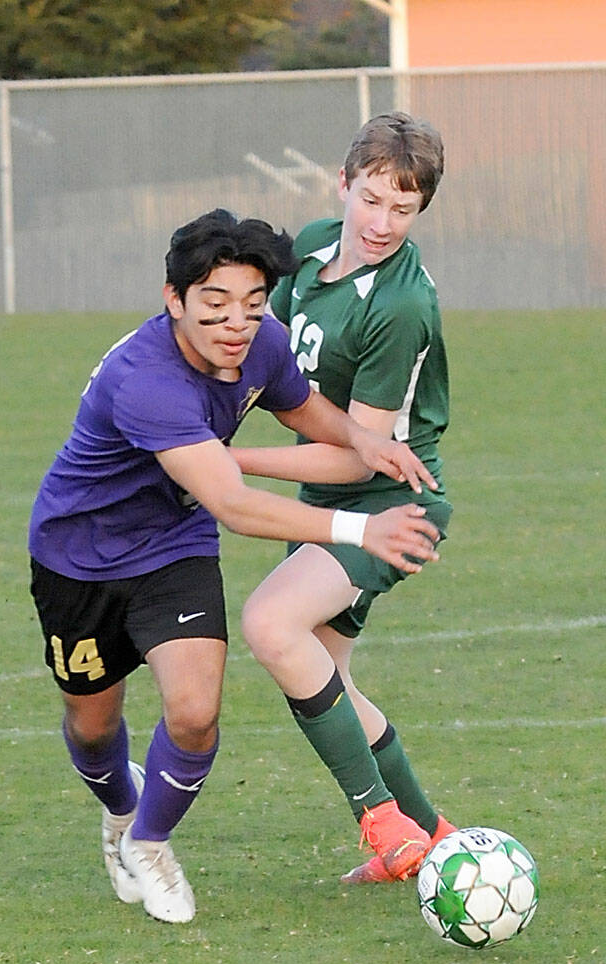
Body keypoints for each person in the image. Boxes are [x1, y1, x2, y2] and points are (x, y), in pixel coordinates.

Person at [27, 208, 441, 923]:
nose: (235, 322)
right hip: (78, 556)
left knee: (194, 713)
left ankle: (150, 841)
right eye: (215, 303)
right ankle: (122, 811)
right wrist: (360, 528)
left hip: (175, 545)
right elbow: (235, 504)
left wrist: (361, 439)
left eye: (252, 304)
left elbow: (303, 409)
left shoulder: (263, 342)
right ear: (174, 299)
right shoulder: (146, 381)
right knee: (93, 727)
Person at [235, 112, 453, 885]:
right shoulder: (314, 247)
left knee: (270, 622)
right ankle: (432, 839)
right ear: (342, 183)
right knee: (328, 677)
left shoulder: (400, 306)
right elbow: (260, 350)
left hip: (390, 504)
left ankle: (384, 823)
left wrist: (221, 461)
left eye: (404, 208)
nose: (382, 223)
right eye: (371, 199)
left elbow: (354, 454)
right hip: (329, 496)